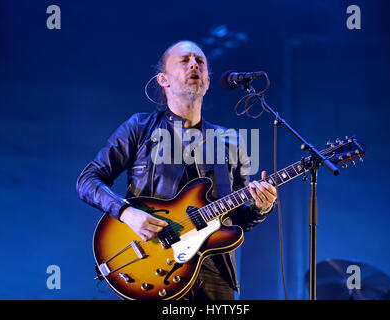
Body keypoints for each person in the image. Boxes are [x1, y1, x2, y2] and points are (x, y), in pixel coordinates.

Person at [76, 40, 278, 300]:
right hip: (153, 264)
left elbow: (236, 218)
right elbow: (87, 181)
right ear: (163, 79)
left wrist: (262, 206)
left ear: (206, 80)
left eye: (201, 62)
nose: (194, 64)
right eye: (185, 61)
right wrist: (127, 213)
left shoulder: (231, 140)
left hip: (215, 272)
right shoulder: (139, 127)